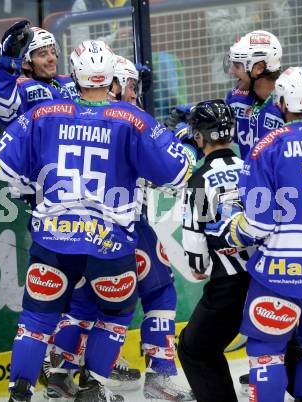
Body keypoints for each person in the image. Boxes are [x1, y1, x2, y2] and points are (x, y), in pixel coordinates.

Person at [0, 39, 194, 402]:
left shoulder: (44, 113)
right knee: (115, 313)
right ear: (111, 74)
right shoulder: (132, 119)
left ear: (75, 72)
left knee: (37, 317)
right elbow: (177, 173)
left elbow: (1, 164)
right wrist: (190, 144)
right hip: (109, 241)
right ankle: (91, 386)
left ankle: (19, 393)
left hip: (52, 239)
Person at [45, 55, 195, 401]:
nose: (134, 91)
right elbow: (169, 177)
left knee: (83, 303)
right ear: (116, 82)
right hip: (127, 227)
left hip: (74, 230)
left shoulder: (75, 114)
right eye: (130, 84)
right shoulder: (130, 121)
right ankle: (159, 375)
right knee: (160, 291)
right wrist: (182, 140)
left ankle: (59, 376)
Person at [207, 66, 302, 402]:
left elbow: (258, 222)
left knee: (267, 349)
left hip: (281, 269)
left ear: (284, 101)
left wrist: (231, 233)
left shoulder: (268, 144)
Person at [177, 99, 252, 402]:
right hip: (267, 278)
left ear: (199, 137)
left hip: (229, 287)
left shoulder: (199, 179)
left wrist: (198, 264)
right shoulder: (250, 167)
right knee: (281, 344)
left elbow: (195, 244)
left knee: (195, 349)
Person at [225, 30, 302, 161]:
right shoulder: (235, 98)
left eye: (237, 66)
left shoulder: (298, 99)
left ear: (259, 68)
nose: (232, 71)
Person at [0, 21, 79, 127]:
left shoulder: (69, 81)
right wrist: (5, 65)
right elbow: (0, 104)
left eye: (53, 52)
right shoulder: (19, 89)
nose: (52, 58)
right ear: (25, 63)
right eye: (43, 55)